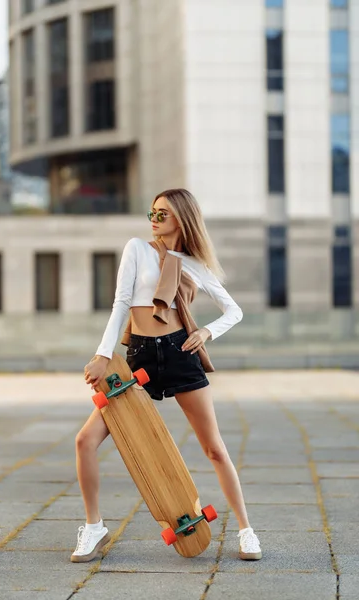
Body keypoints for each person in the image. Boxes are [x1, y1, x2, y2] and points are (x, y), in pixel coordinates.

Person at [71, 188, 262, 562]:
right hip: (138, 356)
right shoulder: (137, 249)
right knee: (85, 441)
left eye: (163, 214)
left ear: (182, 218)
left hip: (178, 353)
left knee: (214, 449)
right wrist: (102, 355)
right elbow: (121, 303)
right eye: (152, 212)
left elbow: (233, 311)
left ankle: (246, 530)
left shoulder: (195, 265)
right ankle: (94, 527)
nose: (154, 220)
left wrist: (206, 332)